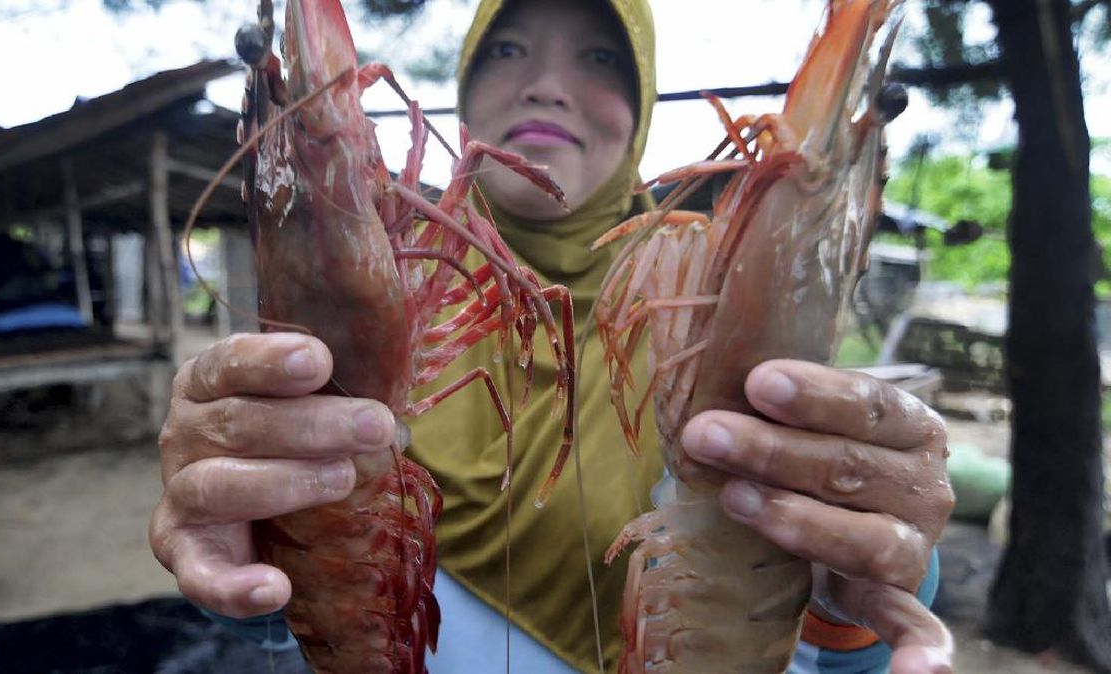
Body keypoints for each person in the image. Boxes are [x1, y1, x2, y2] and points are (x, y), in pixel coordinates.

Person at [149, 0, 955, 672]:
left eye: (602, 59)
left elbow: (826, 620)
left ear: (645, 111)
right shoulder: (409, 279)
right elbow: (282, 603)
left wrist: (851, 588)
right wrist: (251, 524)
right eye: (506, 48)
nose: (546, 87)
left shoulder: (694, 307)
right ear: (459, 95)